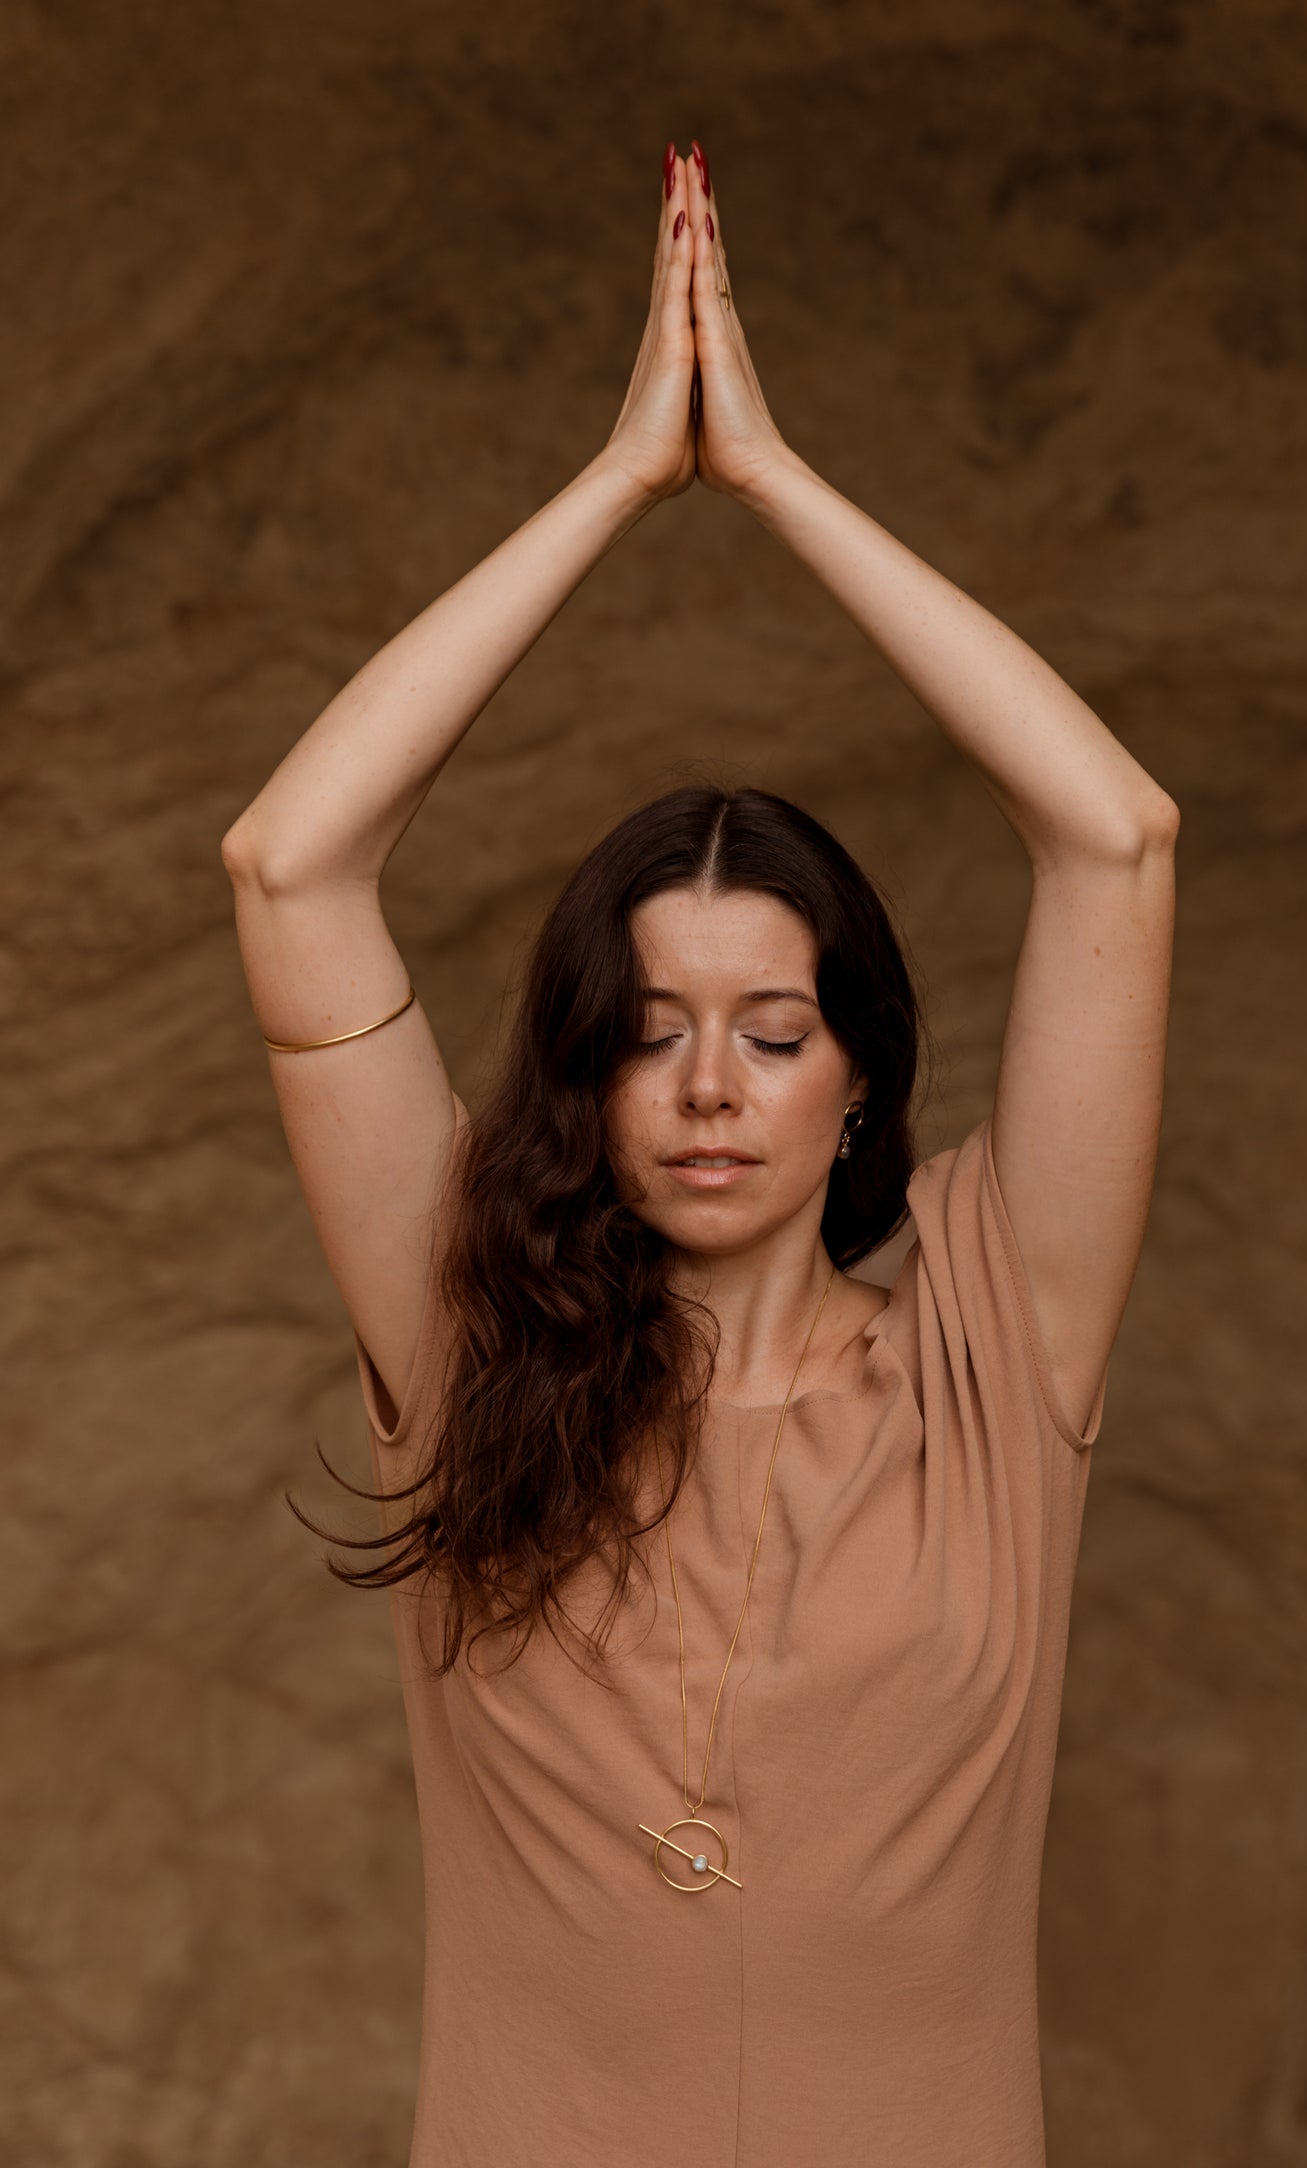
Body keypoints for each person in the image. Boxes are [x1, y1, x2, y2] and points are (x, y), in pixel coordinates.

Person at [222, 135, 1177, 2168]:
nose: (712, 1086)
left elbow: (1117, 835)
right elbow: (291, 866)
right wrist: (617, 484)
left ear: (860, 1080)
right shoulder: (470, 1339)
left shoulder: (1001, 1358)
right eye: (648, 1034)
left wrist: (773, 479)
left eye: (774, 1030)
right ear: (586, 1076)